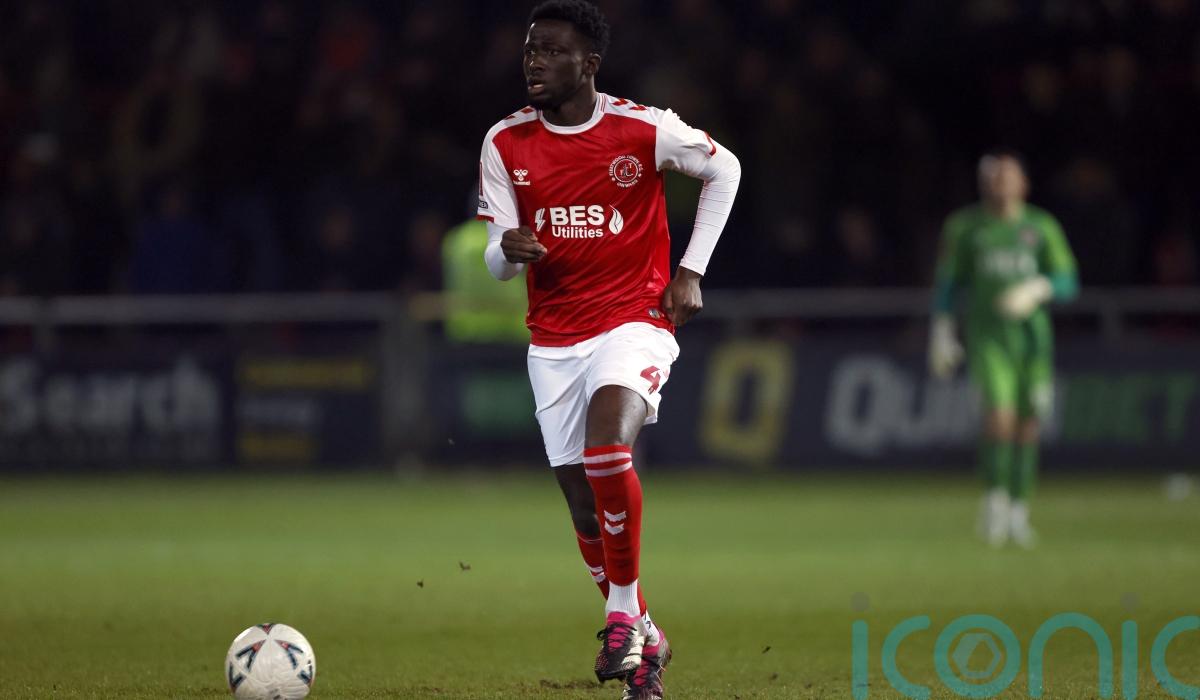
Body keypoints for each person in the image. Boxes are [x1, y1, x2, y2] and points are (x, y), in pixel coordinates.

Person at [477, 2, 741, 697]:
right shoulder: (505, 142)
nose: (534, 62)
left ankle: (621, 615)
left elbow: (727, 170)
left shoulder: (642, 128)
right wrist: (507, 249)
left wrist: (692, 270)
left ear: (589, 64)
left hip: (634, 318)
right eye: (530, 49)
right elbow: (496, 260)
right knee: (582, 506)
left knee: (606, 452)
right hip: (553, 338)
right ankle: (648, 641)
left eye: (551, 51)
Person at [928, 150, 1078, 548]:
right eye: (993, 178)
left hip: (1032, 341)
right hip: (988, 338)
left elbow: (1068, 279)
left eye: (1007, 177)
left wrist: (1037, 288)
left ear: (1023, 184)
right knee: (999, 417)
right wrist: (942, 331)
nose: (999, 184)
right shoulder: (966, 227)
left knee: (1029, 424)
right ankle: (994, 502)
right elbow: (949, 283)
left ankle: (1019, 510)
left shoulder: (1041, 227)